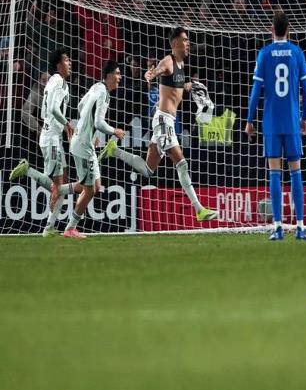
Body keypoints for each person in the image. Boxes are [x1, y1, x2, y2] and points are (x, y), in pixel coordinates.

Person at [99, 27, 217, 223]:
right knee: (181, 163)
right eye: (184, 40)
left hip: (164, 121)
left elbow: (174, 87)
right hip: (163, 120)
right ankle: (199, 209)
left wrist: (188, 86)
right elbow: (159, 70)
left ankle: (115, 151)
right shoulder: (169, 61)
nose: (188, 43)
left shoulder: (181, 65)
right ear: (174, 43)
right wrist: (151, 74)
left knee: (148, 169)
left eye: (188, 40)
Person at [245, 11, 306, 241]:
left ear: (271, 30)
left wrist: (249, 120)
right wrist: (304, 117)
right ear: (288, 30)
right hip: (291, 121)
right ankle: (300, 227)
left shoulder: (264, 54)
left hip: (271, 123)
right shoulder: (296, 52)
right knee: (295, 172)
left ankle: (278, 227)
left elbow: (255, 92)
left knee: (274, 172)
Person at [9, 48, 84, 237]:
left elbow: (46, 111)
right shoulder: (57, 81)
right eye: (66, 60)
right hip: (51, 139)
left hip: (53, 137)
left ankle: (50, 227)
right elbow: (51, 108)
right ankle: (28, 170)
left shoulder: (57, 82)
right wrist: (66, 124)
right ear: (58, 65)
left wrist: (61, 127)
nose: (70, 63)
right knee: (56, 186)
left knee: (61, 181)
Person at [63, 60, 125, 239]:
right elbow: (98, 122)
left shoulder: (96, 87)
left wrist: (91, 132)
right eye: (117, 73)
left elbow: (80, 106)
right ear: (108, 75)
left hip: (84, 141)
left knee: (95, 186)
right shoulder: (104, 93)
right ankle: (70, 228)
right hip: (83, 145)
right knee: (89, 190)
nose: (120, 77)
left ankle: (59, 190)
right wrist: (114, 131)